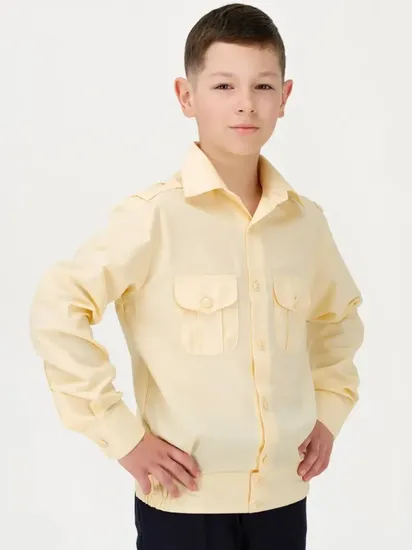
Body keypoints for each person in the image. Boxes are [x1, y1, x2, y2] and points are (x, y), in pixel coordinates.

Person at [29, 3, 364, 549]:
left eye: (263, 86)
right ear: (187, 97)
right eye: (224, 86)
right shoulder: (152, 217)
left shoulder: (306, 224)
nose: (245, 103)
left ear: (284, 97)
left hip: (284, 500)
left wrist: (329, 413)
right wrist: (122, 436)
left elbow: (338, 320)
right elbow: (57, 308)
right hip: (184, 503)